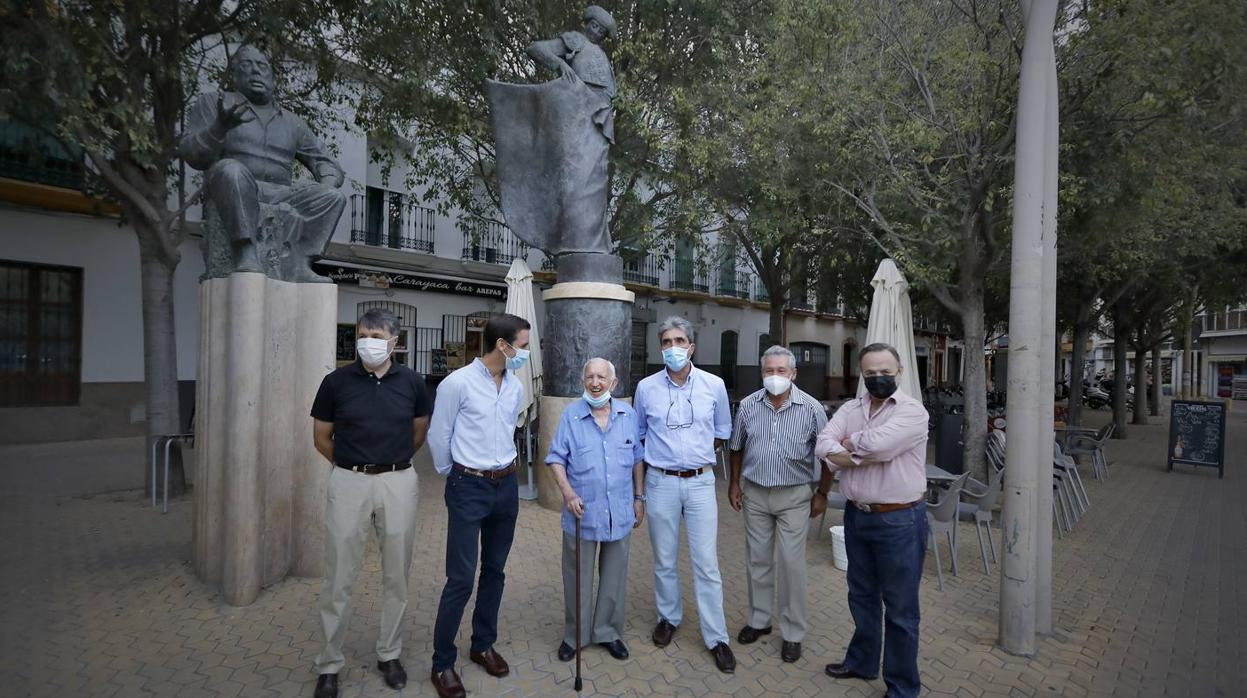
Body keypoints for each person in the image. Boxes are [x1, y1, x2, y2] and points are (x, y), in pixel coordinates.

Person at [309, 308, 432, 698]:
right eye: (364, 334)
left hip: (398, 480)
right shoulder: (336, 382)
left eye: (377, 335)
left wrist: (389, 464)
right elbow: (321, 437)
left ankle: (389, 653)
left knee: (397, 574)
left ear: (394, 343)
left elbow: (418, 432)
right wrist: (352, 468)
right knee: (338, 576)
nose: (368, 342)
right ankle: (329, 663)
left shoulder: (413, 382)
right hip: (349, 482)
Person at [814, 342, 930, 698]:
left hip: (900, 519)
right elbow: (822, 444)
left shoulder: (913, 412)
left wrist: (850, 447)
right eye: (870, 373)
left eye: (885, 372)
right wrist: (860, 449)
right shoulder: (851, 407)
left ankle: (902, 687)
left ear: (899, 372)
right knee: (861, 596)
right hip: (857, 516)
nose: (878, 378)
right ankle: (862, 662)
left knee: (900, 609)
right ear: (862, 374)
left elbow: (881, 446)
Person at [425, 313, 531, 698]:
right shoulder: (457, 383)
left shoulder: (515, 386)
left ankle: (482, 644)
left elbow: (511, 430)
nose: (526, 353)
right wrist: (455, 475)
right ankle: (442, 663)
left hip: (506, 485)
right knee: (460, 578)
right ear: (502, 345)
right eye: (522, 345)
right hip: (468, 485)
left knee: (495, 571)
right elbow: (440, 435)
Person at [179, 44, 345, 277]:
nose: (256, 72)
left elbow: (326, 163)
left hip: (281, 193)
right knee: (231, 170)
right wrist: (219, 128)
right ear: (235, 73)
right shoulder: (214, 103)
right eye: (247, 65)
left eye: (262, 66)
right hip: (234, 185)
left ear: (273, 77)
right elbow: (191, 153)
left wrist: (326, 182)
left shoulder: (292, 121)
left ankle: (300, 263)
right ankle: (245, 251)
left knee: (332, 196)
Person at [633, 316, 736, 673]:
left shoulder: (714, 385)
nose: (673, 347)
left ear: (692, 346)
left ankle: (717, 636)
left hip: (700, 482)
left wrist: (695, 456)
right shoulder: (646, 388)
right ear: (660, 347)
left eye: (679, 340)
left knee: (706, 563)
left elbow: (722, 430)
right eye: (666, 342)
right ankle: (668, 617)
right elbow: (639, 435)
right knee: (663, 558)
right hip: (660, 482)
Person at [727, 345, 829, 664]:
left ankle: (793, 633)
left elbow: (827, 456)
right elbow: (736, 447)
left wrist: (822, 493)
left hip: (795, 495)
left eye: (780, 371)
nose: (774, 377)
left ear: (793, 373)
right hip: (756, 493)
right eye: (768, 371)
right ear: (762, 373)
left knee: (790, 563)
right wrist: (733, 483)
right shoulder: (747, 406)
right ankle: (759, 621)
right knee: (757, 560)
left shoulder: (812, 409)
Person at [545, 358, 645, 662]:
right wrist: (567, 493)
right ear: (583, 381)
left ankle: (608, 632)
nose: (595, 382)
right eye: (589, 376)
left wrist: (639, 498)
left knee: (614, 576)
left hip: (620, 512)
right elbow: (555, 458)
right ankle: (575, 636)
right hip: (582, 512)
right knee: (577, 575)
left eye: (602, 377)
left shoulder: (628, 415)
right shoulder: (571, 416)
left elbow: (638, 458)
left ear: (613, 383)